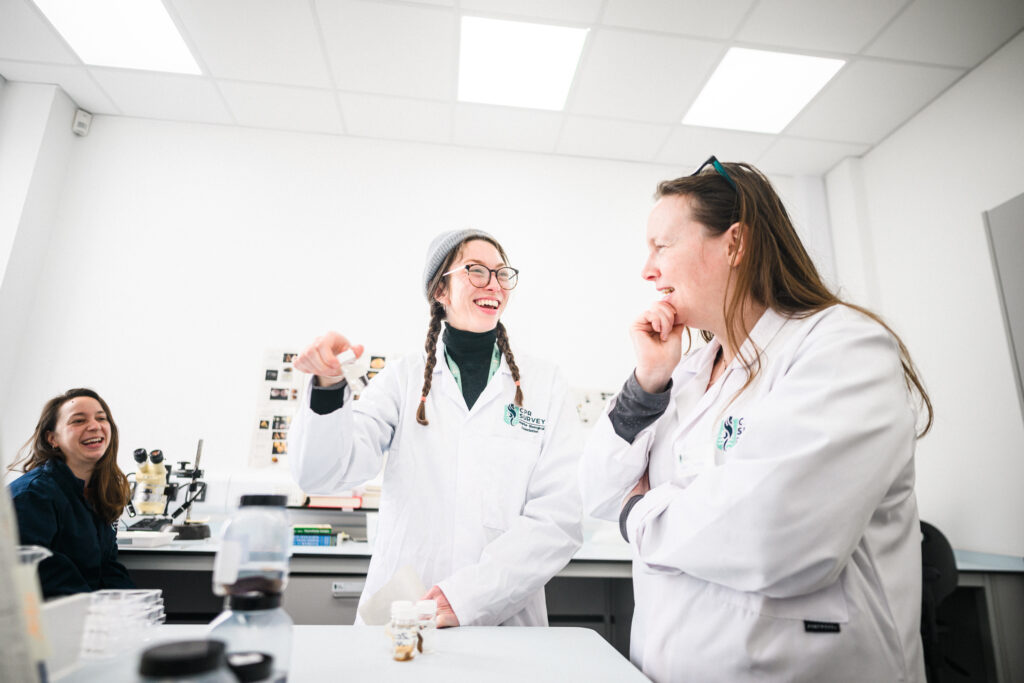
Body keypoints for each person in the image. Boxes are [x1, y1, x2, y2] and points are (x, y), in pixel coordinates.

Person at [579, 158, 933, 682]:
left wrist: (642, 514)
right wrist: (647, 382)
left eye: (662, 245)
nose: (647, 270)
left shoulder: (841, 347)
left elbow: (774, 534)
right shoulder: (688, 371)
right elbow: (598, 493)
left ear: (735, 243)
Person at [289, 230, 582, 627]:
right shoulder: (402, 379)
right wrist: (327, 388)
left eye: (501, 273)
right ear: (440, 290)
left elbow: (558, 518)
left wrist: (470, 598)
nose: (493, 284)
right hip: (406, 614)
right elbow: (323, 474)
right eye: (476, 271)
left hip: (500, 618)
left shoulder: (544, 384)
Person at [8, 388, 135, 597]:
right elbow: (40, 576)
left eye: (101, 418)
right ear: (52, 438)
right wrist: (98, 612)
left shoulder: (100, 493)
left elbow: (107, 568)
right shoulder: (31, 496)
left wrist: (133, 607)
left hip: (89, 615)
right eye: (78, 421)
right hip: (52, 619)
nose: (94, 426)